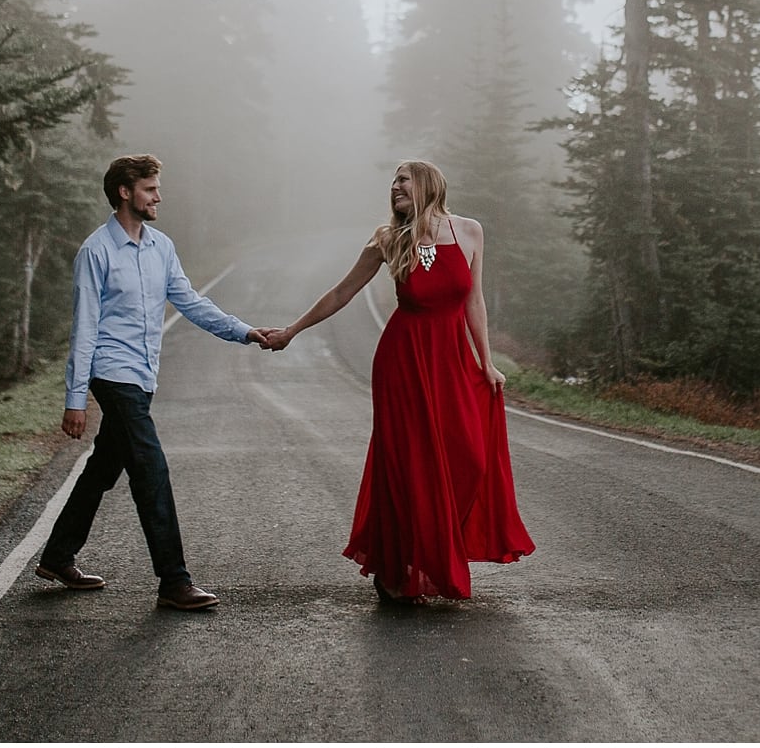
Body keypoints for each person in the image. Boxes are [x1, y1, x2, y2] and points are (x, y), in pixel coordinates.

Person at [260, 159, 534, 604]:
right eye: (393, 183)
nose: (394, 188)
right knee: (409, 466)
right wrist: (292, 331)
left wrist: (486, 363)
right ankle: (399, 567)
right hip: (403, 363)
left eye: (403, 181)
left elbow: (474, 302)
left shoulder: (469, 231)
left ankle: (431, 551)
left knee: (471, 456)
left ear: (428, 184)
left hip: (451, 360)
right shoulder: (389, 238)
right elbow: (341, 292)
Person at [36, 153, 272, 610]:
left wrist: (243, 331)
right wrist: (75, 399)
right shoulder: (96, 252)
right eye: (150, 189)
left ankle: (57, 555)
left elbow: (191, 303)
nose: (158, 196)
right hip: (112, 373)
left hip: (143, 376)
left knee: (105, 467)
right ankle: (173, 582)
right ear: (125, 192)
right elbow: (84, 327)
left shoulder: (161, 247)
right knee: (151, 469)